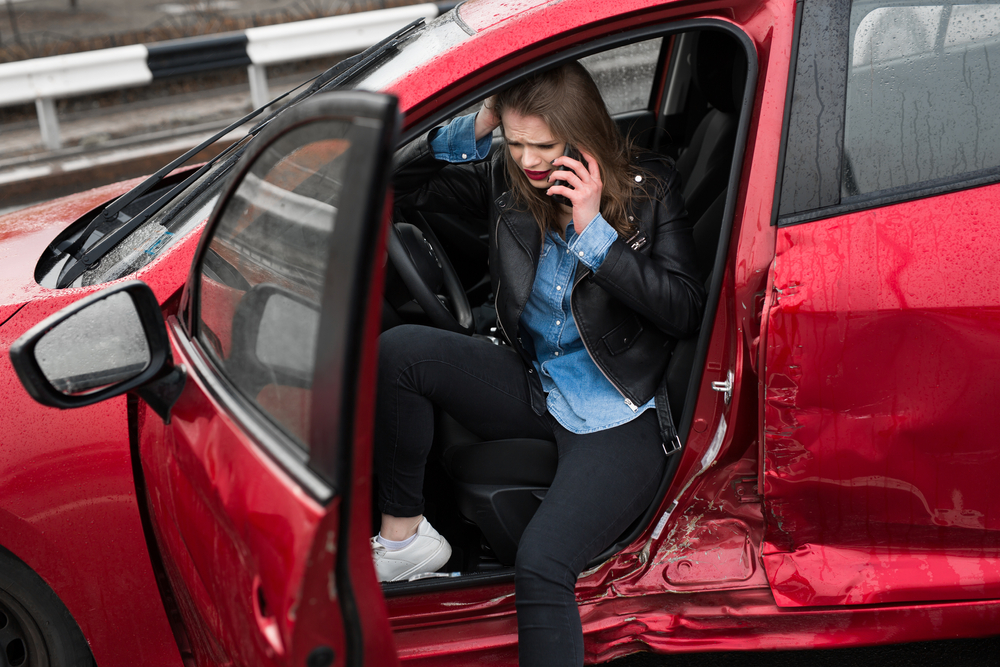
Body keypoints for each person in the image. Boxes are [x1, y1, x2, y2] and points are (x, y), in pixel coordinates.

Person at [372, 62, 705, 666]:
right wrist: (484, 116)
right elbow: (401, 173)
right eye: (515, 141)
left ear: (579, 135)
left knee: (541, 564)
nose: (527, 159)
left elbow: (684, 310)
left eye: (543, 146)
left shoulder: (649, 189)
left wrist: (594, 232)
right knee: (400, 353)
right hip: (539, 385)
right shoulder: (511, 182)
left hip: (618, 413)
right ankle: (406, 539)